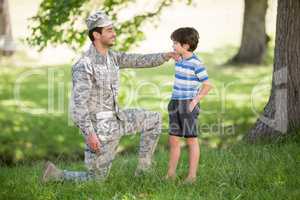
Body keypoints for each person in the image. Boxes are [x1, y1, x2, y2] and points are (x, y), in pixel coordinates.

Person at [42, 10, 177, 182]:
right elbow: (78, 106)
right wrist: (89, 134)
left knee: (154, 119)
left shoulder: (112, 57)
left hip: (117, 119)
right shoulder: (84, 65)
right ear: (96, 35)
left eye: (113, 29)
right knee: (96, 180)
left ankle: (144, 171)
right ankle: (55, 175)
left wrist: (165, 56)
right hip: (100, 130)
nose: (114, 33)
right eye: (109, 30)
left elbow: (137, 60)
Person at [165, 27, 212, 183]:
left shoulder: (196, 64)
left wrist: (194, 101)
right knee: (173, 140)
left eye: (175, 43)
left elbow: (207, 85)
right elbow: (176, 57)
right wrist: (174, 56)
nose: (173, 46)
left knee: (191, 140)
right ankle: (170, 175)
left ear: (185, 45)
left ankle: (192, 176)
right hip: (175, 103)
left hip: (187, 105)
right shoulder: (180, 60)